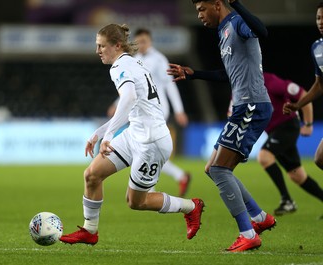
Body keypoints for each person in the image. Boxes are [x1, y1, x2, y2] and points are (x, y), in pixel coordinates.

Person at [59, 24, 204, 245]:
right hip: (135, 132)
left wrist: (108, 135)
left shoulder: (120, 67)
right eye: (96, 45)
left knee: (136, 202)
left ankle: (191, 207)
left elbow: (127, 99)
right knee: (92, 175)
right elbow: (132, 106)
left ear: (116, 45)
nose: (97, 51)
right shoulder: (133, 62)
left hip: (151, 142)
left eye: (101, 46)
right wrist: (99, 133)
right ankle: (90, 230)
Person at [168, 0, 276, 252]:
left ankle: (247, 233)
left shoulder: (238, 22)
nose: (199, 15)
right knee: (212, 168)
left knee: (219, 170)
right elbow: (227, 75)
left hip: (251, 105)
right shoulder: (223, 31)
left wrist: (236, 3)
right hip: (243, 106)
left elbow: (262, 31)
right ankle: (260, 218)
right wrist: (193, 73)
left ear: (217, 5)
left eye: (201, 9)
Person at [106, 28, 191, 197]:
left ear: (150, 41)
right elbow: (131, 88)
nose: (141, 45)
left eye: (144, 41)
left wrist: (179, 110)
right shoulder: (135, 60)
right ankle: (177, 177)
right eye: (138, 42)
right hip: (140, 110)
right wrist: (116, 103)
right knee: (146, 149)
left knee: (146, 147)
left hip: (157, 109)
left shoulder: (159, 60)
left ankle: (151, 188)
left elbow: (170, 85)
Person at [232, 72, 323, 216]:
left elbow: (303, 94)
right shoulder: (239, 89)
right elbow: (233, 114)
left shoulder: (271, 82)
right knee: (297, 175)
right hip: (274, 132)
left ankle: (287, 200)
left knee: (264, 156)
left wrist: (308, 123)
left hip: (288, 126)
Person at [283, 2, 323, 170]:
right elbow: (320, 84)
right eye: (318, 18)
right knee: (320, 159)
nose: (320, 22)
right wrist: (298, 105)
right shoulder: (317, 48)